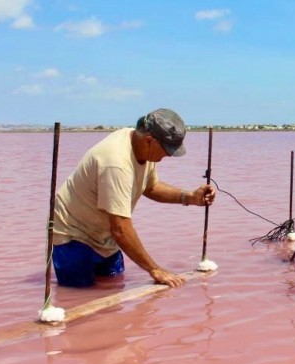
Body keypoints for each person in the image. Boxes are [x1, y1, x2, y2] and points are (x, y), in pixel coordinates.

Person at [52, 108, 216, 288]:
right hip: (73, 236)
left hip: (104, 236)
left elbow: (151, 187)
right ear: (149, 140)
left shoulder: (141, 147)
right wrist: (155, 269)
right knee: (78, 295)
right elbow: (121, 228)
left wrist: (190, 197)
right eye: (167, 150)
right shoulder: (116, 163)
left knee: (114, 288)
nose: (168, 155)